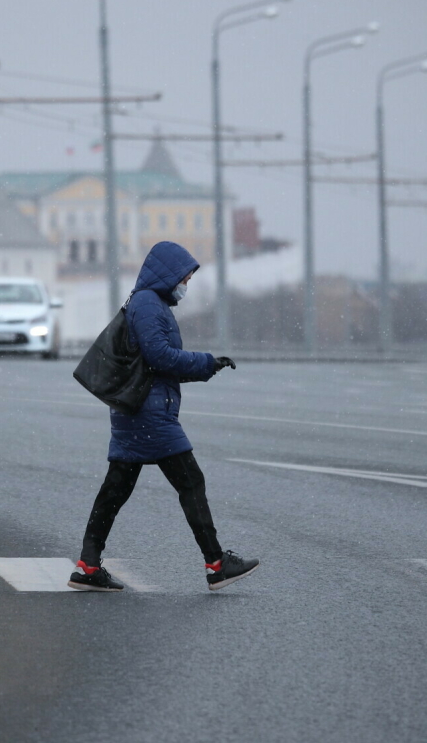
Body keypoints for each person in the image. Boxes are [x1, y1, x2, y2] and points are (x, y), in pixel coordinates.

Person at [68, 241, 259, 593]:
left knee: (114, 491)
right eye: (184, 276)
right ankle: (217, 564)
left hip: (137, 411)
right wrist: (204, 362)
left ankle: (87, 565)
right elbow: (159, 357)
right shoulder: (148, 305)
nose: (186, 283)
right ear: (169, 274)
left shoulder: (147, 303)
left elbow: (156, 363)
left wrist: (207, 367)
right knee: (191, 484)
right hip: (150, 416)